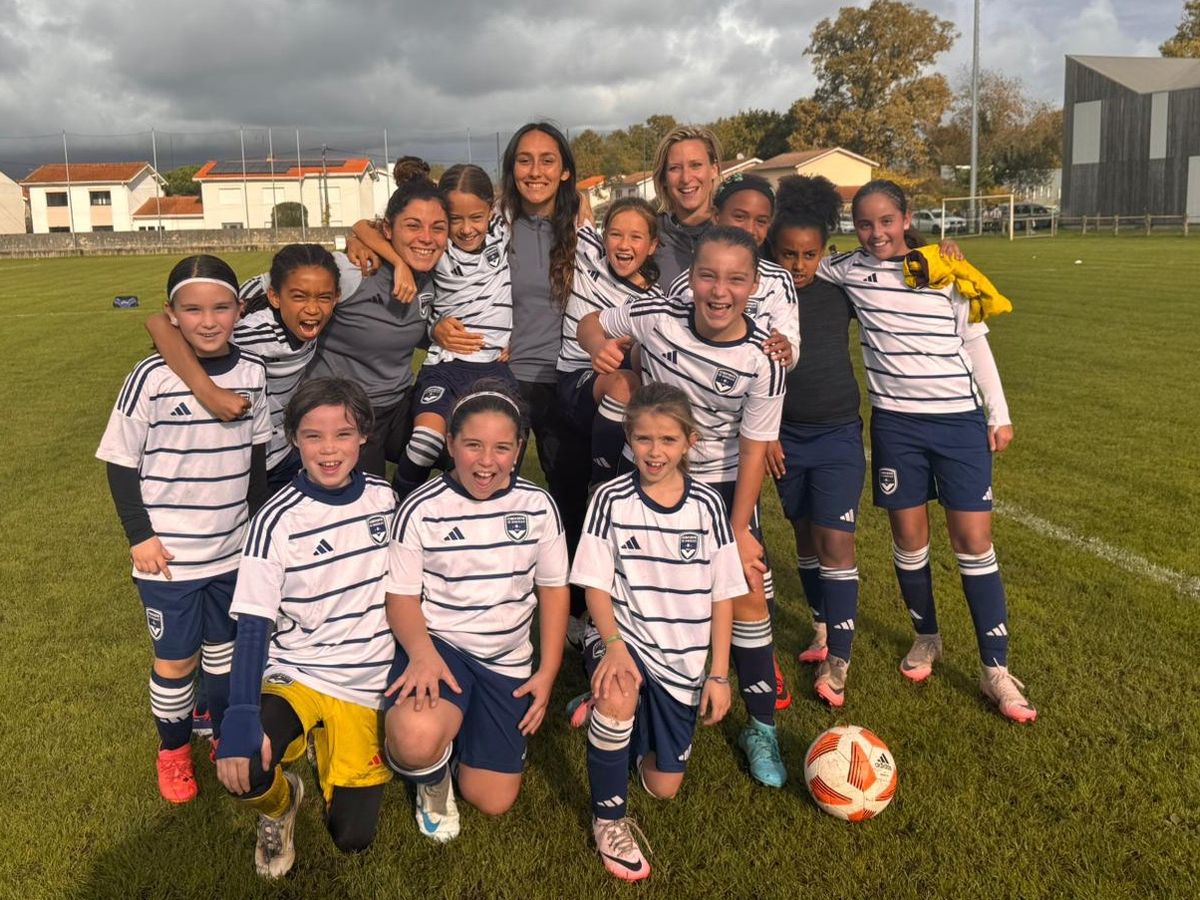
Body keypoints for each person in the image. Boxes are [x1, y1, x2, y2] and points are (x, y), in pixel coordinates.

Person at [817, 179, 1036, 724]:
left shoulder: (943, 269)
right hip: (896, 427)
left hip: (958, 424)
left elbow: (975, 342)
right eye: (864, 223)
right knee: (908, 538)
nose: (876, 233)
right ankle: (926, 637)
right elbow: (796, 262)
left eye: (886, 221)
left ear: (907, 217)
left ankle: (995, 670)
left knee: (973, 541)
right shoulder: (849, 269)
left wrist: (999, 414)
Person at [578, 226, 789, 787]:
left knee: (746, 591)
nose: (720, 291)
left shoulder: (764, 359)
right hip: (646, 469)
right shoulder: (656, 314)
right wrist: (597, 346)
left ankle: (761, 726)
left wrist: (738, 527)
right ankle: (610, 675)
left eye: (736, 279)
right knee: (629, 580)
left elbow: (753, 448)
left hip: (719, 483)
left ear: (755, 285)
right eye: (708, 276)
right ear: (689, 278)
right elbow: (592, 321)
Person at [97, 254, 270, 803]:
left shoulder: (253, 373)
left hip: (231, 550)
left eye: (221, 307)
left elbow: (256, 458)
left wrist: (256, 531)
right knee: (177, 661)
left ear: (239, 310)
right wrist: (139, 536)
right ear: (171, 315)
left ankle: (217, 731)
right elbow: (120, 461)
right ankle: (172, 750)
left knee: (223, 655)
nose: (209, 320)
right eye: (193, 310)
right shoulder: (150, 376)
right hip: (168, 558)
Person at [216, 378, 397, 878]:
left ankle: (327, 742)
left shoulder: (386, 500)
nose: (329, 449)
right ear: (293, 438)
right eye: (313, 436)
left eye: (343, 434)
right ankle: (281, 805)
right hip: (298, 671)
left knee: (352, 838)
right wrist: (241, 714)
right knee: (247, 764)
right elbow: (254, 626)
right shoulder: (274, 520)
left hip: (366, 679)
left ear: (364, 435)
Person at [382, 380, 570, 842]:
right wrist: (422, 654)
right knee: (413, 739)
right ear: (449, 443)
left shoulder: (539, 506)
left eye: (502, 448)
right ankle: (433, 781)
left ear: (519, 449)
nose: (487, 462)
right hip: (441, 648)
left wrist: (547, 672)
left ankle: (460, 728)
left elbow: (553, 590)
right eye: (473, 445)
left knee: (492, 799)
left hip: (505, 661)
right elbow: (401, 598)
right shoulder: (420, 507)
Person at [571, 383, 740, 881]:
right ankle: (609, 820)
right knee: (619, 690)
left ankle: (607, 715)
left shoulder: (708, 506)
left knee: (662, 786)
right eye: (643, 438)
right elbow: (595, 586)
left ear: (690, 441)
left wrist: (719, 675)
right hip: (621, 636)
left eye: (668, 439)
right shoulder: (610, 499)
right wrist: (613, 646)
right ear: (629, 438)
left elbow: (723, 595)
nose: (655, 451)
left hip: (681, 659)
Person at [348, 164, 518, 499]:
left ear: (490, 211)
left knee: (497, 451)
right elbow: (361, 227)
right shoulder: (438, 250)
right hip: (446, 365)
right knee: (425, 443)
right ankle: (401, 503)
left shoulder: (501, 230)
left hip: (494, 367)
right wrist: (396, 262)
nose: (466, 228)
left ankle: (482, 517)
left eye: (476, 217)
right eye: (455, 219)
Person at [764, 175, 864, 707]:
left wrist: (934, 249)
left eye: (809, 254)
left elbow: (893, 268)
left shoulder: (839, 291)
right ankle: (822, 626)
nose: (799, 264)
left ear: (823, 252)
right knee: (803, 535)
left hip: (838, 432)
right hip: (784, 438)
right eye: (788, 254)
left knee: (835, 541)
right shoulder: (760, 297)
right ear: (772, 251)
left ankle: (838, 660)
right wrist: (767, 433)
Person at [145, 244, 345, 492]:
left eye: (323, 298)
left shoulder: (310, 302)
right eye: (299, 297)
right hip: (239, 459)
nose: (313, 308)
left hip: (283, 452)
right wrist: (209, 391)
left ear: (336, 297)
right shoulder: (251, 335)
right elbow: (159, 324)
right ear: (275, 297)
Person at [307, 161, 449, 476]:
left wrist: (440, 331)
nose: (427, 238)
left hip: (398, 405)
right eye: (413, 226)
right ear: (388, 229)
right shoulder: (353, 270)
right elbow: (276, 288)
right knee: (370, 494)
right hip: (344, 411)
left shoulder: (436, 275)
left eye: (438, 228)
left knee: (468, 443)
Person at [557, 197, 661, 485]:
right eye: (615, 234)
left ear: (652, 245)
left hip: (621, 385)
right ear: (603, 237)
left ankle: (627, 480)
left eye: (636, 237)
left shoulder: (655, 302)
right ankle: (603, 485)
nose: (624, 244)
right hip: (574, 378)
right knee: (624, 383)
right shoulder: (587, 253)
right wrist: (597, 347)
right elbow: (576, 200)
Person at [650, 126, 722, 288]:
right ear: (663, 179)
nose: (686, 178)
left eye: (696, 165)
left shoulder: (736, 229)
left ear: (714, 170)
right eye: (675, 168)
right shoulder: (649, 233)